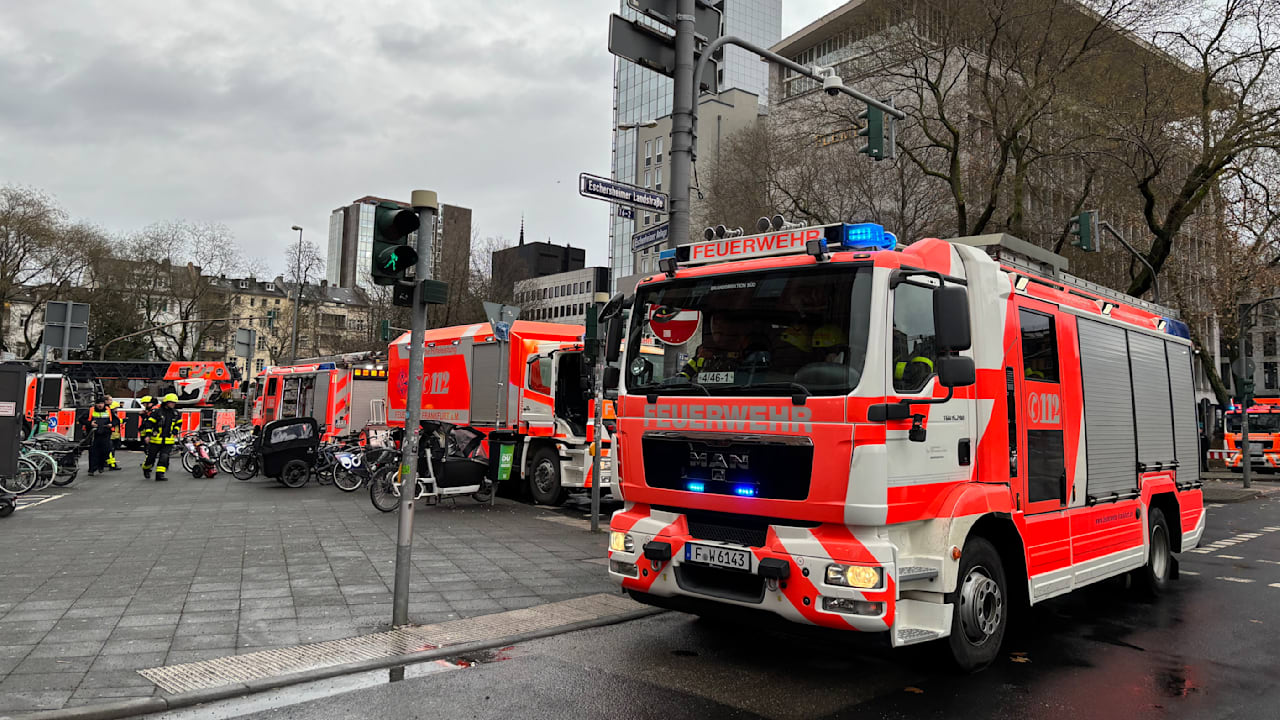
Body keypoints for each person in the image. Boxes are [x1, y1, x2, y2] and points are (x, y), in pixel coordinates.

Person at [141, 393, 183, 481]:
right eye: (171, 402)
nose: (173, 404)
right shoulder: (157, 412)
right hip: (156, 440)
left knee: (164, 457)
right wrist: (148, 435)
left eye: (174, 403)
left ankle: (160, 474)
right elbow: (149, 423)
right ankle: (146, 468)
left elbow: (179, 423)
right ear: (166, 402)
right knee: (151, 458)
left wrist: (175, 430)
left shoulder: (176, 413)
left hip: (168, 440)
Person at [80, 397, 119, 476]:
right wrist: (90, 423)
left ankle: (100, 466)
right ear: (95, 404)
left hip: (105, 433)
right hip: (94, 434)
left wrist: (112, 424)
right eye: (98, 404)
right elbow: (81, 419)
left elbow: (116, 420)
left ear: (104, 404)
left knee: (105, 451)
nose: (100, 405)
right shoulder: (90, 411)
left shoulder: (109, 411)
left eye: (101, 403)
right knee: (93, 452)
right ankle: (92, 469)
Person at [104, 399, 122, 471]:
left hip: (114, 435)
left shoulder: (112, 414)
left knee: (111, 451)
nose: (116, 409)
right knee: (110, 451)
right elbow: (116, 421)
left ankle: (108, 463)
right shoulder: (110, 414)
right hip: (111, 435)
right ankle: (112, 465)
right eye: (115, 408)